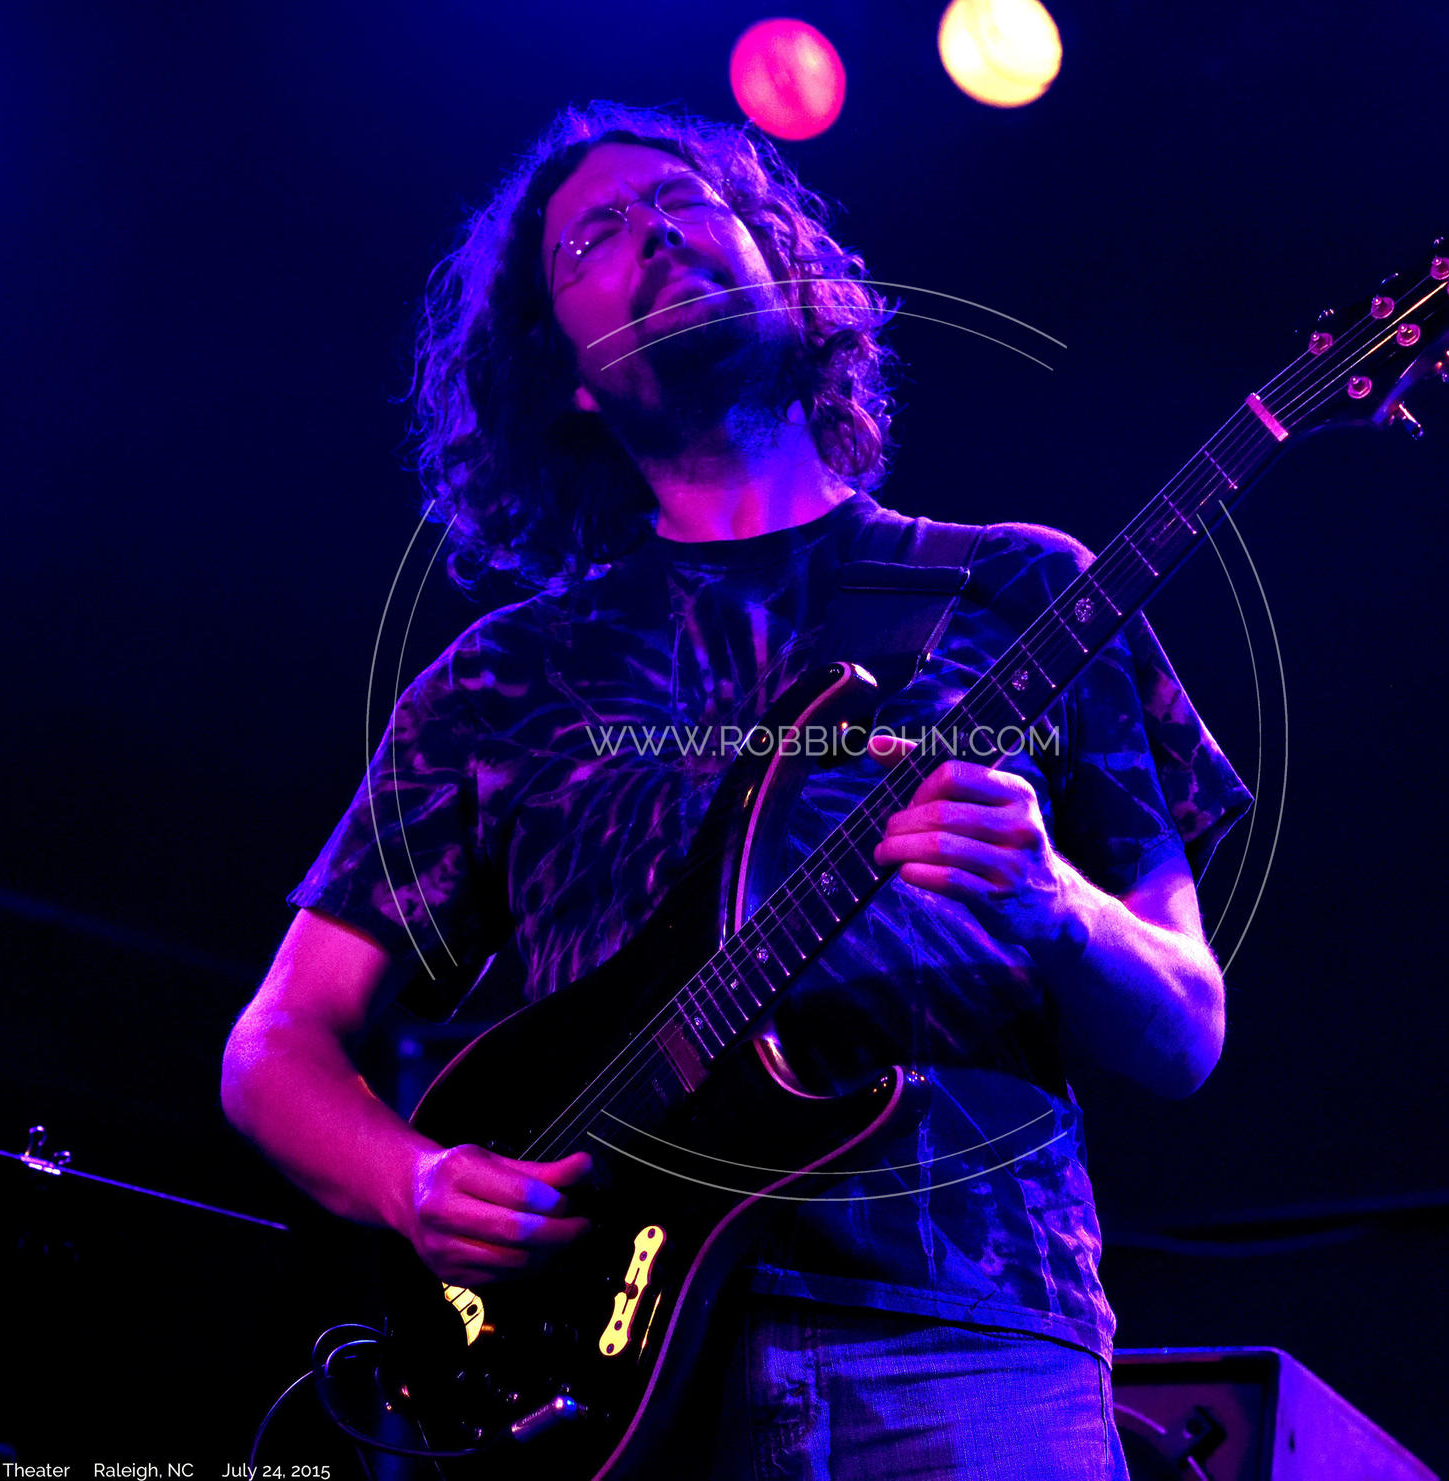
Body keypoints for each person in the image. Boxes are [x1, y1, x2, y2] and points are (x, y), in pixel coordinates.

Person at [221, 101, 1253, 1478]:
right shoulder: (505, 678)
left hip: (970, 1339)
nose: (654, 231)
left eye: (684, 199)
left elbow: (1185, 1032)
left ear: (784, 269)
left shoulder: (1017, 587)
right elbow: (274, 1044)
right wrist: (412, 1181)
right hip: (611, 1373)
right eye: (594, 235)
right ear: (564, 376)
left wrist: (1054, 903)